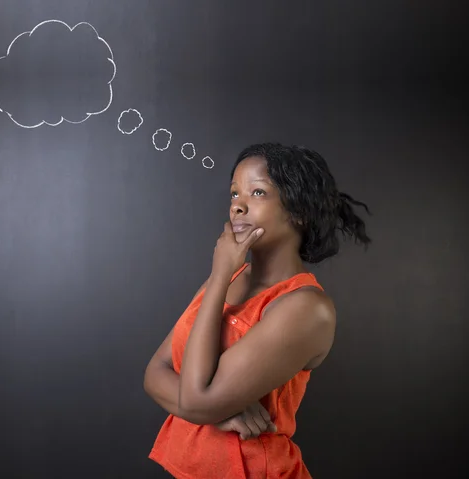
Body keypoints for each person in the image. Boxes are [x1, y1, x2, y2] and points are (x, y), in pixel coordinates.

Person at [144, 143, 371, 478]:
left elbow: (193, 401)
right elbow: (155, 373)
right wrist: (217, 411)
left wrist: (219, 275)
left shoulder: (306, 308)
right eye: (235, 194)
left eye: (257, 192)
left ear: (299, 211)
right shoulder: (230, 277)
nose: (238, 207)